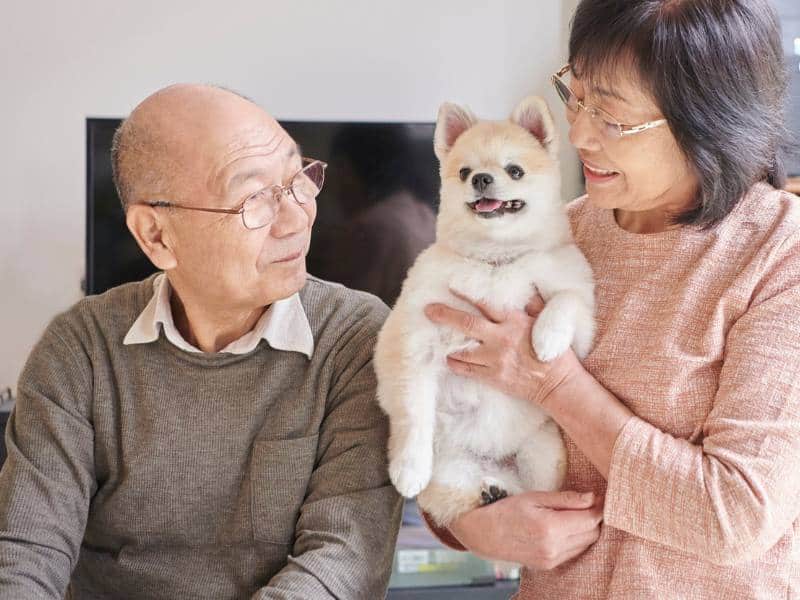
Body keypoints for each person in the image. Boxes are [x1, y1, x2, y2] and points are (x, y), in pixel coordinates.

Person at [424, 1, 800, 597]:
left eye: (612, 117)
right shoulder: (548, 234)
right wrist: (470, 522)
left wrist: (553, 386)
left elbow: (736, 516)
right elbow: (452, 414)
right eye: (574, 95)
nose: (577, 134)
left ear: (708, 118)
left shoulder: (780, 254)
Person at [0, 84, 402, 599]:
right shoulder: (80, 349)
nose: (298, 218)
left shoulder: (357, 338)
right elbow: (25, 553)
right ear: (156, 236)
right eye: (255, 198)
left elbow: (342, 560)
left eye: (298, 178)